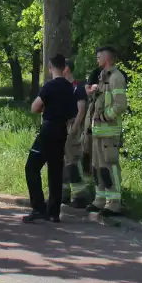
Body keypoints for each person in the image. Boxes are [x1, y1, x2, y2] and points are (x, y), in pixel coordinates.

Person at [23, 55, 78, 223]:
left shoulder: (50, 86)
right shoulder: (70, 88)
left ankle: (38, 208)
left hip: (48, 129)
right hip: (62, 130)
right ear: (65, 68)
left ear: (50, 67)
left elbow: (34, 107)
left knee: (31, 167)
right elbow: (73, 113)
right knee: (55, 171)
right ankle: (54, 212)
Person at [88, 46, 128, 216]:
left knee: (109, 168)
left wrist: (103, 117)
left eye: (99, 57)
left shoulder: (116, 77)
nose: (97, 60)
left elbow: (120, 105)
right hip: (98, 132)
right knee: (97, 168)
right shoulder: (102, 77)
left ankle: (114, 203)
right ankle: (100, 200)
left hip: (109, 132)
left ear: (107, 58)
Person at [61, 64, 92, 207]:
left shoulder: (77, 88)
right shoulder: (63, 87)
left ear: (66, 69)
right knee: (62, 161)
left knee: (73, 161)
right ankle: (63, 193)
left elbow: (81, 111)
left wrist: (73, 130)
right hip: (61, 128)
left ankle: (80, 196)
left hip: (72, 129)